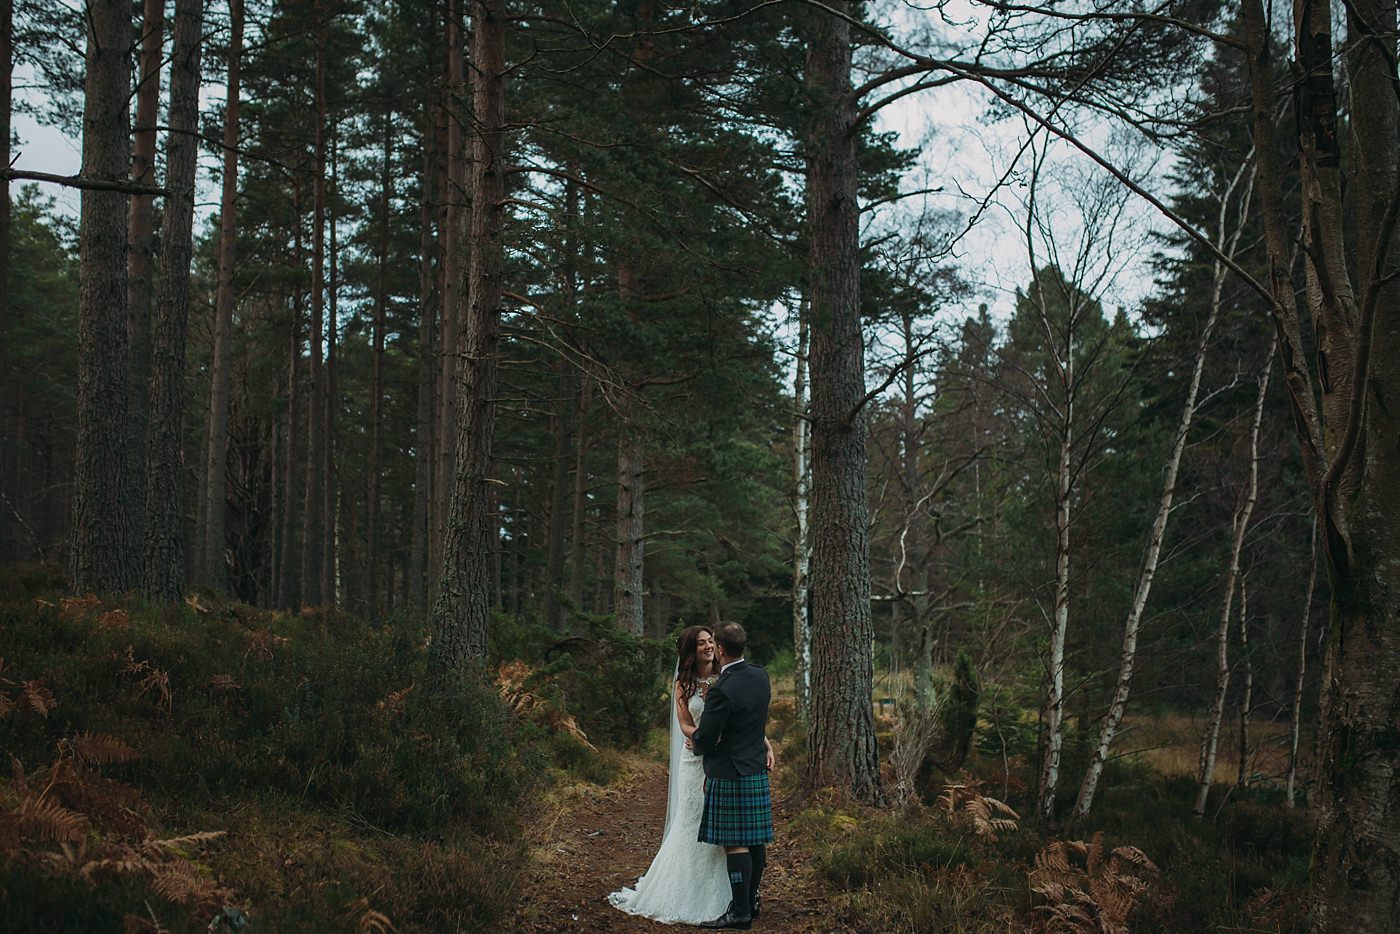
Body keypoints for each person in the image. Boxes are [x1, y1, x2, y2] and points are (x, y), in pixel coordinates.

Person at [607, 626, 774, 925]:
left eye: (711, 641)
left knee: (734, 836)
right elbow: (687, 723)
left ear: (720, 647)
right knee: (701, 828)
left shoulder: (725, 680)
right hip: (700, 761)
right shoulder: (702, 682)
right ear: (691, 650)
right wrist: (697, 738)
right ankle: (728, 900)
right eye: (701, 643)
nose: (708, 646)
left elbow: (746, 717)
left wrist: (762, 742)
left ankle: (740, 904)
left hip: (722, 761)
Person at [690, 621, 773, 931]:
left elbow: (707, 737)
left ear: (721, 649)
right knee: (756, 842)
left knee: (734, 842)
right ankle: (749, 903)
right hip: (754, 766)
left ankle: (739, 914)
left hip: (729, 771)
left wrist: (696, 744)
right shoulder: (760, 676)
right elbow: (756, 720)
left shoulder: (722, 689)